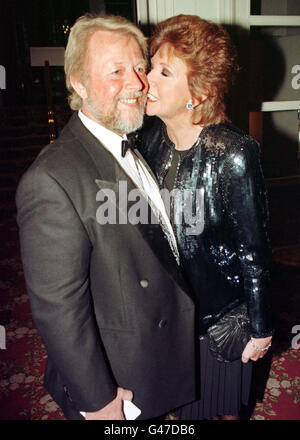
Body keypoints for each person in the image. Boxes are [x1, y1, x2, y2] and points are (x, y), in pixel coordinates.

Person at [16, 14, 196, 421]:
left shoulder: (127, 140)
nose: (137, 83)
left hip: (150, 356)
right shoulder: (51, 179)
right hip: (116, 379)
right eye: (116, 71)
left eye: (138, 67)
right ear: (78, 84)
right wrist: (97, 401)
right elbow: (58, 307)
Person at [138, 14, 273, 420]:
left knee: (222, 410)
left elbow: (255, 251)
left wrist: (261, 329)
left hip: (219, 315)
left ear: (198, 91)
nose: (147, 80)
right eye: (150, 67)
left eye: (164, 72)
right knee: (178, 409)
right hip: (168, 315)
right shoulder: (150, 139)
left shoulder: (233, 152)